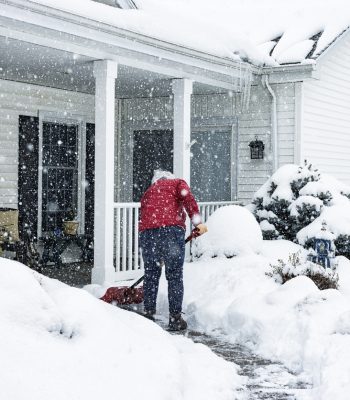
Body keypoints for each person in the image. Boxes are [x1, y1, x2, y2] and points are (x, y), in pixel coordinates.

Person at [139, 170, 208, 331]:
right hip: (170, 231)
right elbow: (188, 200)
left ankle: (148, 313)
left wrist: (154, 246)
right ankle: (175, 318)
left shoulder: (149, 191)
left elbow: (144, 216)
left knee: (151, 274)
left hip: (148, 234)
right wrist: (197, 223)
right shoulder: (177, 183)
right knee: (174, 275)